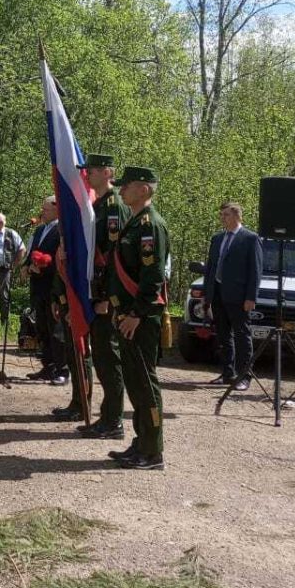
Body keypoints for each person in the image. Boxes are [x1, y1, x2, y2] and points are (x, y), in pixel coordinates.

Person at [106, 166, 169, 470]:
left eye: (126, 186)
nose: (121, 190)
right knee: (134, 382)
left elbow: (153, 276)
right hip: (128, 316)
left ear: (143, 189)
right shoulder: (134, 222)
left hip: (140, 318)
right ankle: (141, 441)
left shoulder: (150, 224)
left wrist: (136, 313)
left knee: (145, 384)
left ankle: (153, 450)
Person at [74, 154, 130, 437]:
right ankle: (108, 417)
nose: (88, 175)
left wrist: (107, 297)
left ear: (107, 172)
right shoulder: (97, 205)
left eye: (92, 171)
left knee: (109, 356)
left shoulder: (114, 207)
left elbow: (114, 258)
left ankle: (114, 420)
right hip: (95, 291)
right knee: (102, 357)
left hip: (106, 297)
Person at [203, 202, 263, 391]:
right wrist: (207, 294)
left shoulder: (250, 239)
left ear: (237, 216)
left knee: (242, 335)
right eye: (221, 215)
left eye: (226, 215)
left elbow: (255, 270)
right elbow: (211, 268)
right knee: (223, 335)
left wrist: (251, 297)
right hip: (218, 293)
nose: (222, 218)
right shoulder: (217, 238)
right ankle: (228, 373)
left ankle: (244, 375)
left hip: (239, 296)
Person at [23, 196, 66, 385]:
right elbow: (32, 251)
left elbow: (61, 259)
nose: (42, 213)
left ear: (57, 210)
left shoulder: (62, 230)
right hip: (38, 286)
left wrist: (43, 268)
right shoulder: (40, 229)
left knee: (56, 329)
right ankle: (47, 366)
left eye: (46, 210)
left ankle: (62, 369)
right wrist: (26, 266)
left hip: (53, 285)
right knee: (41, 327)